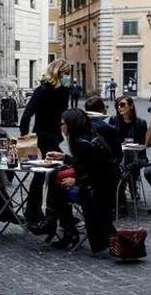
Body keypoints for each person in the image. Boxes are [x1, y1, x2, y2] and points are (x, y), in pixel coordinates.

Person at [42, 109, 118, 252]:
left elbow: (95, 172)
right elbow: (86, 164)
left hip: (96, 193)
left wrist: (75, 181)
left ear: (71, 125)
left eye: (63, 124)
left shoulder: (81, 143)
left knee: (58, 190)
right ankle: (57, 224)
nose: (61, 127)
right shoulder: (90, 137)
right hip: (104, 189)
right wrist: (64, 157)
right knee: (57, 179)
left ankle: (61, 227)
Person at [19, 59, 71, 224]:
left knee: (41, 175)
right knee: (51, 174)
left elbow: (26, 116)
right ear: (58, 72)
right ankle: (53, 214)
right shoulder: (61, 91)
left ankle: (35, 211)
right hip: (47, 137)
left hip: (43, 136)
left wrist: (26, 137)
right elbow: (62, 115)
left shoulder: (42, 90)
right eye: (66, 73)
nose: (68, 77)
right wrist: (27, 141)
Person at [83, 96, 122, 164]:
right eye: (106, 106)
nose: (106, 109)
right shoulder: (108, 128)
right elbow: (118, 155)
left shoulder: (81, 125)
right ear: (101, 110)